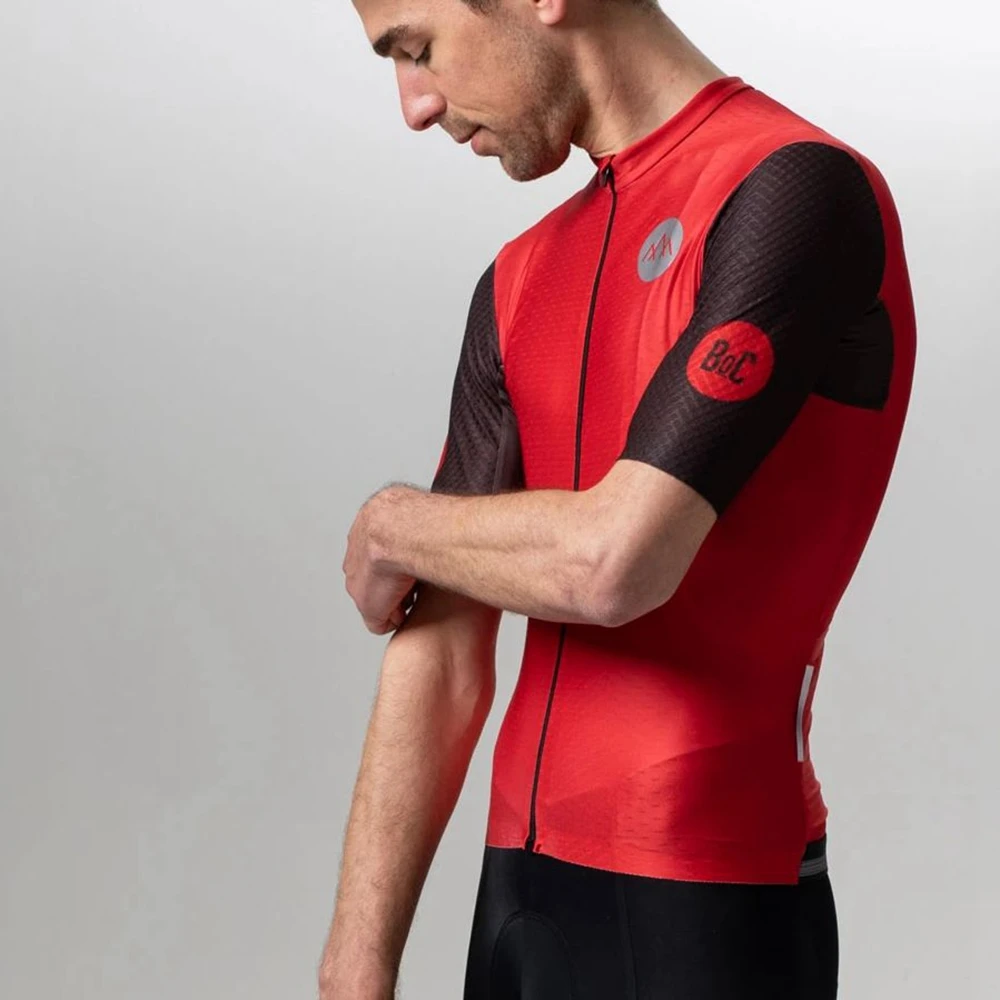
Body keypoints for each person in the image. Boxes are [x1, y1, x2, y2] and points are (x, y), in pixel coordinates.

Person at [321, 0, 916, 996]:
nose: (413, 105)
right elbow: (442, 642)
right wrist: (355, 964)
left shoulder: (794, 194)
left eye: (418, 49)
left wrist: (394, 524)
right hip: (513, 902)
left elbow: (616, 563)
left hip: (704, 896)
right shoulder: (517, 279)